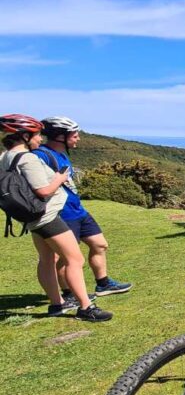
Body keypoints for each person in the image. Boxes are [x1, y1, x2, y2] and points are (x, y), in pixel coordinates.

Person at [0, 114, 112, 322]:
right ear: (24, 136)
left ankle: (56, 304)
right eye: (36, 135)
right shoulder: (28, 158)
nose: (40, 139)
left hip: (31, 217)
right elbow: (43, 190)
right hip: (48, 216)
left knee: (46, 259)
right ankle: (86, 307)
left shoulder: (5, 157)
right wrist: (59, 179)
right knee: (74, 259)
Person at [37, 117, 132, 305]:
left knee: (99, 244)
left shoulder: (62, 153)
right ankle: (68, 293)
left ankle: (103, 284)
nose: (78, 138)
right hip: (61, 213)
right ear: (59, 136)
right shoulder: (41, 156)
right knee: (64, 258)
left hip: (78, 210)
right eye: (74, 134)